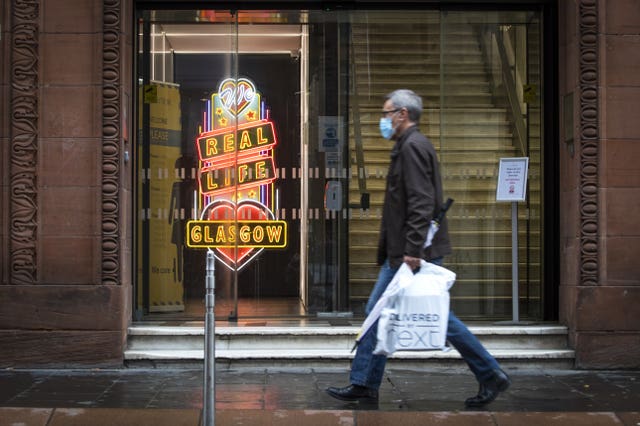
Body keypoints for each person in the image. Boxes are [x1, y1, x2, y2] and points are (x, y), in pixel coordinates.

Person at [325, 89, 511, 407]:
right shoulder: (409, 146)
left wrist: (412, 250)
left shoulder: (412, 147)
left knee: (388, 312)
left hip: (410, 253)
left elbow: (422, 201)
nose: (383, 120)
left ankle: (366, 382)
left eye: (386, 113)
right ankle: (366, 382)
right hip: (407, 250)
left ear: (402, 114)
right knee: (408, 314)